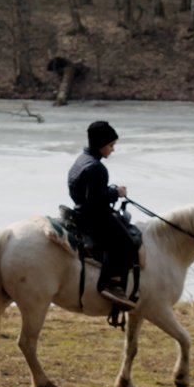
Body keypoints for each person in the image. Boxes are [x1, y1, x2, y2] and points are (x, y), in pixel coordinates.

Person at [67, 121, 137, 310]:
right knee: (127, 242)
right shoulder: (97, 167)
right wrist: (117, 193)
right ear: (101, 144)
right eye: (111, 145)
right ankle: (112, 284)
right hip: (93, 216)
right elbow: (95, 199)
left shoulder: (82, 159)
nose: (113, 150)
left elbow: (89, 192)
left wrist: (109, 191)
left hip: (80, 212)